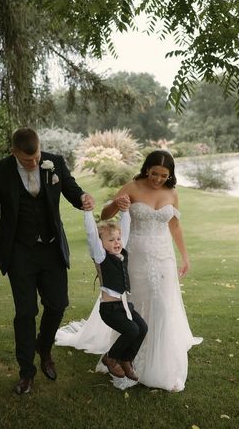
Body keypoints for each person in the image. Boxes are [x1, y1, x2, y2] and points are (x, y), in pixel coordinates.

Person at [56, 150, 202, 392]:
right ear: (147, 169)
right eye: (154, 173)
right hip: (134, 257)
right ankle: (123, 355)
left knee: (163, 306)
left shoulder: (172, 193)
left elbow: (175, 225)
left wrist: (185, 256)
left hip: (163, 256)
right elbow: (105, 216)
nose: (157, 179)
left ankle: (159, 362)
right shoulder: (132, 187)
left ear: (170, 175)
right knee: (134, 306)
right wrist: (117, 203)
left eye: (164, 175)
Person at [0, 127, 94, 395]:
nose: (34, 163)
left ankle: (44, 346)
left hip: (51, 249)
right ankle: (26, 372)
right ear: (14, 152)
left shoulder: (55, 163)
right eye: (27, 159)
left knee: (58, 304)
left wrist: (83, 198)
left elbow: (72, 190)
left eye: (37, 157)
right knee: (25, 312)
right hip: (18, 252)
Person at [83, 207, 148, 381]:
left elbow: (125, 231)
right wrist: (88, 213)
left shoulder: (121, 253)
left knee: (142, 328)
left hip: (125, 305)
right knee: (132, 330)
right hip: (110, 309)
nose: (117, 242)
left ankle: (126, 359)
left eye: (118, 239)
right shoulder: (100, 256)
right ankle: (110, 357)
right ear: (101, 243)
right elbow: (91, 235)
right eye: (111, 240)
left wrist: (125, 212)